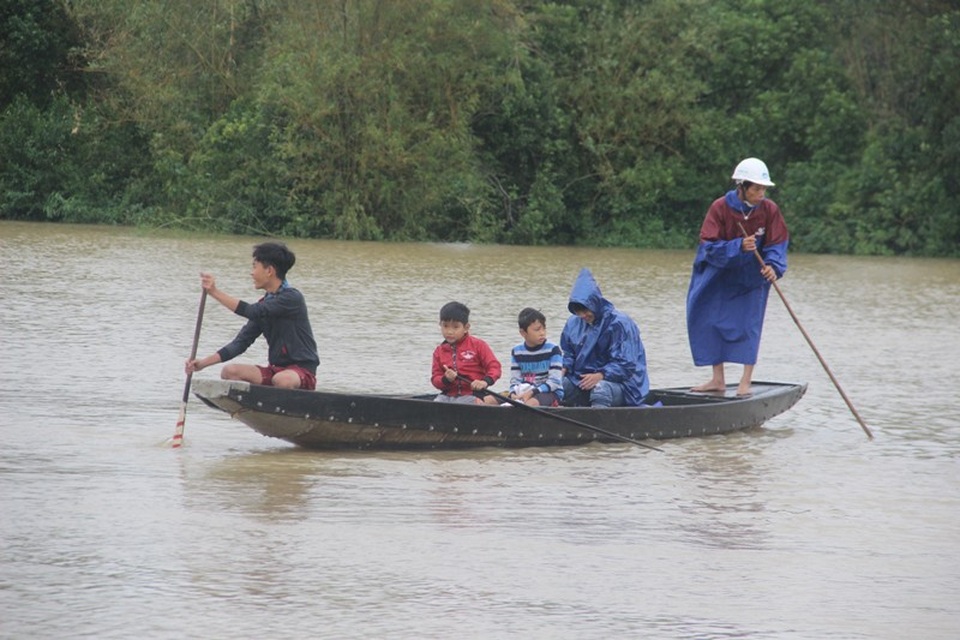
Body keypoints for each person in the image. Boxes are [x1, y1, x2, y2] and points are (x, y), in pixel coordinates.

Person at [686, 157, 789, 397]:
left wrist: (773, 266)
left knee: (749, 326)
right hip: (720, 275)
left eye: (764, 188)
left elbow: (778, 242)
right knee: (709, 321)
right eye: (756, 188)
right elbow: (708, 245)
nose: (761, 193)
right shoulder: (720, 207)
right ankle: (717, 379)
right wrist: (737, 246)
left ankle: (745, 383)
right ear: (742, 187)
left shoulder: (770, 210)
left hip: (752, 277)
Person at [185, 241, 320, 390]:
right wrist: (202, 363)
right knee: (230, 372)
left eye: (255, 266)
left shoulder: (292, 298)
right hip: (276, 370)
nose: (252, 272)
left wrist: (214, 292)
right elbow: (240, 343)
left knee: (283, 380)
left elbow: (251, 311)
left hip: (301, 373)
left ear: (269, 271)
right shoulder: (265, 304)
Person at [560, 268, 650, 407]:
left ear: (594, 303)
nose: (583, 316)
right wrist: (563, 367)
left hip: (622, 385)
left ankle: (596, 425)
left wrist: (601, 375)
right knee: (558, 386)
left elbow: (627, 364)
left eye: (585, 310)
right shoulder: (573, 322)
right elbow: (569, 353)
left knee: (600, 390)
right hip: (582, 380)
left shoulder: (619, 323)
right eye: (578, 312)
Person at [431, 301, 502, 404]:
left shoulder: (478, 345)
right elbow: (435, 379)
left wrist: (484, 382)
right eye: (445, 326)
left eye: (455, 327)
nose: (450, 331)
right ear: (440, 325)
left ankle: (491, 402)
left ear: (466, 328)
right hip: (448, 396)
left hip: (473, 394)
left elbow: (494, 367)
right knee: (436, 403)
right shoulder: (439, 351)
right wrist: (445, 379)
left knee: (473, 402)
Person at [506, 307, 564, 407]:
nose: (542, 333)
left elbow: (555, 382)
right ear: (523, 333)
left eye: (544, 328)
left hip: (550, 392)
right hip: (524, 390)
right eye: (537, 330)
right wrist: (513, 394)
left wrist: (533, 392)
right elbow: (515, 380)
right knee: (489, 400)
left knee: (529, 404)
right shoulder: (517, 351)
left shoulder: (553, 349)